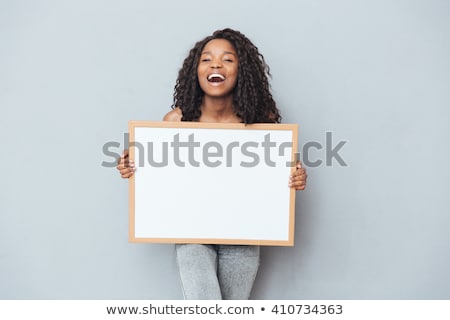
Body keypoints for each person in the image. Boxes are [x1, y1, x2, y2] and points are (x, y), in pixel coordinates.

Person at [117, 28, 307, 299]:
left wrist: (296, 176)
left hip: (243, 232)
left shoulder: (261, 121)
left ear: (242, 70)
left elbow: (277, 173)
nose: (216, 64)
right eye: (207, 59)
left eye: (227, 59)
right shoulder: (176, 121)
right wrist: (132, 167)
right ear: (196, 70)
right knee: (204, 305)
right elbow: (155, 173)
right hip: (191, 231)